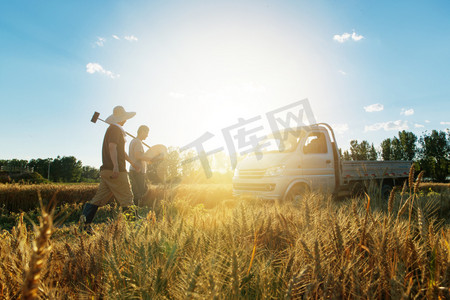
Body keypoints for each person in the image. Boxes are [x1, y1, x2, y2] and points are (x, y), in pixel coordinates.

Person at [80, 105, 140, 231]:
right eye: (125, 118)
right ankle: (133, 229)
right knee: (127, 198)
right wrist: (116, 166)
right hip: (115, 171)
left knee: (98, 199)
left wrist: (133, 163)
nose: (126, 120)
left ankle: (84, 225)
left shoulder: (114, 129)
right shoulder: (115, 130)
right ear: (123, 119)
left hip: (106, 171)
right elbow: (112, 147)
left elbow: (121, 152)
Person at [128, 125, 154, 206]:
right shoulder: (138, 142)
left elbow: (139, 156)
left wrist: (147, 160)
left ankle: (136, 211)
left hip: (135, 170)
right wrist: (150, 158)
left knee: (140, 191)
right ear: (142, 131)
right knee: (139, 192)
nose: (147, 135)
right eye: (147, 133)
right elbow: (138, 156)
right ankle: (135, 212)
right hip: (137, 170)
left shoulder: (134, 141)